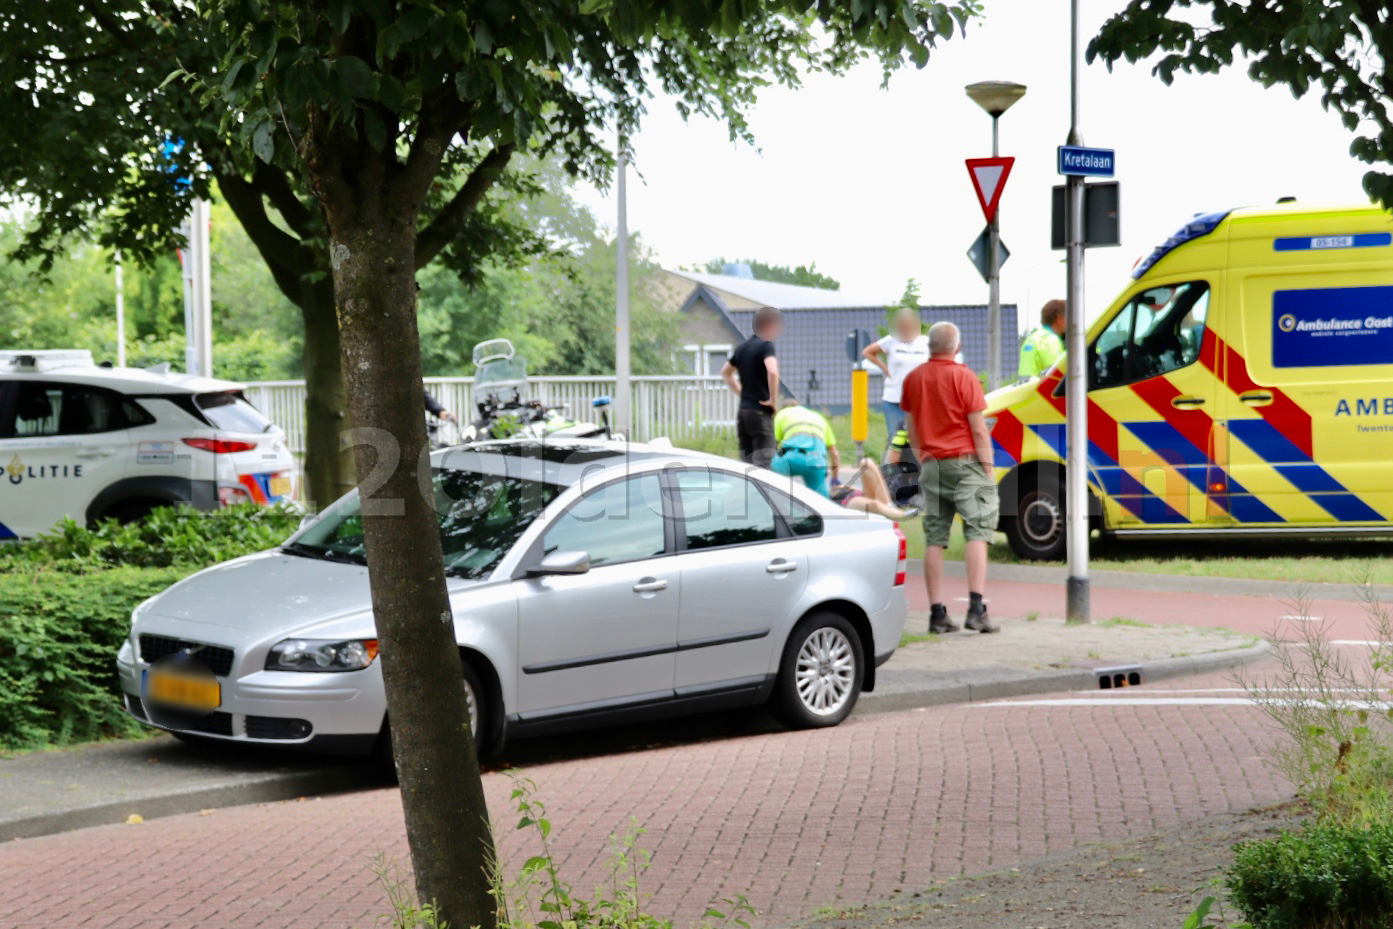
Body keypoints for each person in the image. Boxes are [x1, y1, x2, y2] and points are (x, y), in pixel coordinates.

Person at [901, 321, 1000, 635]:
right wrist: (988, 468)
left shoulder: (913, 379)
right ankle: (976, 609)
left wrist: (923, 457)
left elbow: (911, 427)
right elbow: (978, 428)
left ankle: (936, 613)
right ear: (956, 348)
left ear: (930, 347)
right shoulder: (965, 377)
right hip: (966, 463)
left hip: (932, 466)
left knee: (934, 537)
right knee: (976, 531)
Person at [721, 306, 783, 468]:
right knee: (763, 465)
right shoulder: (766, 345)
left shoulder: (742, 347)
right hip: (760, 412)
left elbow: (725, 372)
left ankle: (746, 493)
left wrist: (742, 393)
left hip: (743, 413)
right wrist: (773, 400)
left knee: (746, 465)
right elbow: (773, 371)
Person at [863, 307, 929, 440]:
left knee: (921, 440)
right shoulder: (891, 340)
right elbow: (868, 352)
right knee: (897, 439)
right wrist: (884, 368)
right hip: (894, 399)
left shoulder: (926, 342)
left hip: (920, 400)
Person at [771, 401, 840, 497]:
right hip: (817, 462)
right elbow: (835, 455)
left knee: (770, 485)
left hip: (792, 458)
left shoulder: (781, 414)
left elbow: (772, 446)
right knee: (821, 502)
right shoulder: (820, 418)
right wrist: (835, 479)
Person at [829, 460, 917, 521]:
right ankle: (900, 514)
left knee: (866, 463)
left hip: (847, 493)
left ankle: (889, 506)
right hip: (841, 502)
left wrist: (846, 487)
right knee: (874, 504)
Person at [1017, 298, 1066, 379]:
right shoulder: (1050, 341)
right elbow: (1056, 377)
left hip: (1026, 389)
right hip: (1042, 390)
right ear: (1059, 319)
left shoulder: (1030, 339)